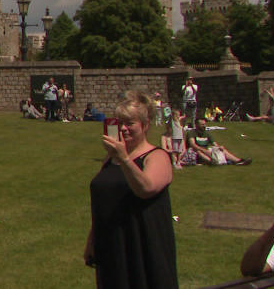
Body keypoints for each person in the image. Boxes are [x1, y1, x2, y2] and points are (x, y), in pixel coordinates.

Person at [84, 91, 177, 288]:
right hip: (112, 244)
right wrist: (92, 239)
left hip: (142, 244)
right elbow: (105, 200)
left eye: (130, 123)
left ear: (145, 125)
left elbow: (145, 188)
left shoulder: (157, 156)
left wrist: (125, 158)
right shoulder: (111, 159)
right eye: (120, 123)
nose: (124, 129)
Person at [184, 117, 252, 166]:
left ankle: (238, 161)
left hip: (205, 151)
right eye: (202, 124)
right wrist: (204, 150)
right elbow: (193, 145)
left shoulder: (207, 133)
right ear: (197, 125)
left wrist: (219, 147)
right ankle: (213, 162)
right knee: (198, 151)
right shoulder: (192, 132)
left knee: (221, 149)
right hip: (195, 153)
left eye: (204, 124)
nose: (204, 126)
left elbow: (214, 144)